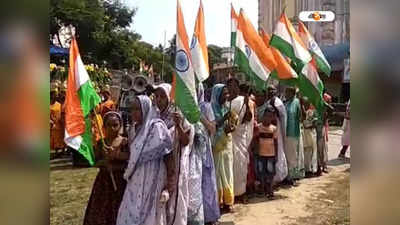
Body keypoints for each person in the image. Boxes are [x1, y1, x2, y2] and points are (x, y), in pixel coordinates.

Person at [117, 95, 173, 225]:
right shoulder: (132, 130)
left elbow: (168, 157)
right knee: (129, 212)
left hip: (154, 178)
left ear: (146, 109)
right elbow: (133, 157)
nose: (133, 113)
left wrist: (169, 185)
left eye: (137, 109)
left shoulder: (157, 128)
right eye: (132, 109)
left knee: (151, 214)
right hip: (136, 178)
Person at [153, 83, 193, 225]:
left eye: (162, 96)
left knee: (174, 198)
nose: (158, 100)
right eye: (156, 96)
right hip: (157, 166)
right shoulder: (153, 116)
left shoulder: (178, 115)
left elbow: (186, 141)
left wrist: (179, 126)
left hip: (174, 164)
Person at [84, 112, 129, 225]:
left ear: (120, 125)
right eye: (108, 125)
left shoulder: (125, 142)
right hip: (103, 182)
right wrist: (103, 162)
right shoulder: (101, 143)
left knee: (119, 207)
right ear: (103, 127)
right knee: (101, 209)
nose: (112, 128)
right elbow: (94, 162)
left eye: (115, 125)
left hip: (120, 181)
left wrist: (115, 161)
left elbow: (130, 160)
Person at [188, 83, 220, 225]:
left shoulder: (205, 107)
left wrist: (199, 117)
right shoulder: (185, 106)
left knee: (206, 181)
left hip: (203, 149)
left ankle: (209, 215)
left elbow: (213, 128)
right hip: (189, 150)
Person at [226, 78, 253, 202]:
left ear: (237, 87)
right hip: (227, 138)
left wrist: (247, 104)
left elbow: (248, 118)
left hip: (240, 137)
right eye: (229, 86)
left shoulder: (243, 100)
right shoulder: (225, 102)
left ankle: (241, 193)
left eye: (234, 86)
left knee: (240, 166)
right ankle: (230, 194)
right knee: (229, 167)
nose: (232, 89)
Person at [211, 84, 236, 212]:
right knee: (217, 174)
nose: (226, 96)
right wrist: (223, 119)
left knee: (228, 172)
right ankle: (218, 201)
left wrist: (231, 126)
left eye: (227, 93)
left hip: (227, 144)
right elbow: (213, 127)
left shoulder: (226, 107)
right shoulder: (211, 109)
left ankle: (228, 201)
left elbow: (231, 123)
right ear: (217, 95)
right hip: (216, 145)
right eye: (224, 94)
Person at [266, 85, 288, 184]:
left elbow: (282, 116)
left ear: (275, 91)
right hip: (268, 130)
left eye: (272, 90)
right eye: (268, 90)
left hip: (277, 130)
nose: (270, 91)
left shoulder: (278, 102)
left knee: (278, 152)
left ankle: (279, 176)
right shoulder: (268, 101)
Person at [256, 106, 278, 199]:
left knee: (270, 172)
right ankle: (263, 188)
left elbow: (276, 142)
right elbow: (256, 140)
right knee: (261, 171)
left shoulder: (274, 128)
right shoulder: (259, 127)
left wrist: (276, 154)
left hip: (271, 155)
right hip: (261, 154)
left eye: (270, 116)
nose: (267, 118)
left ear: (272, 118)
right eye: (266, 116)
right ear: (263, 116)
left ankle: (270, 189)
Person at [284, 87, 305, 186]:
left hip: (293, 133)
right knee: (287, 155)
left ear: (292, 93)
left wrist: (302, 107)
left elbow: (302, 117)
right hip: (285, 133)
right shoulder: (286, 103)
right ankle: (286, 175)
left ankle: (292, 177)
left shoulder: (297, 102)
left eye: (287, 92)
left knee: (292, 155)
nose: (285, 94)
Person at [302, 99, 318, 177]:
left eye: (306, 103)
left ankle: (310, 169)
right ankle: (306, 169)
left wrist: (308, 126)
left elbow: (314, 124)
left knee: (310, 151)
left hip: (310, 133)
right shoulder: (303, 113)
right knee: (305, 151)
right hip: (305, 133)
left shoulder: (311, 112)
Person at [50, 87, 65, 157]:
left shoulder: (59, 104)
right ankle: (56, 151)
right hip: (53, 124)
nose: (56, 96)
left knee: (62, 136)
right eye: (54, 94)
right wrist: (52, 120)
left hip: (60, 122)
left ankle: (63, 151)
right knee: (55, 137)